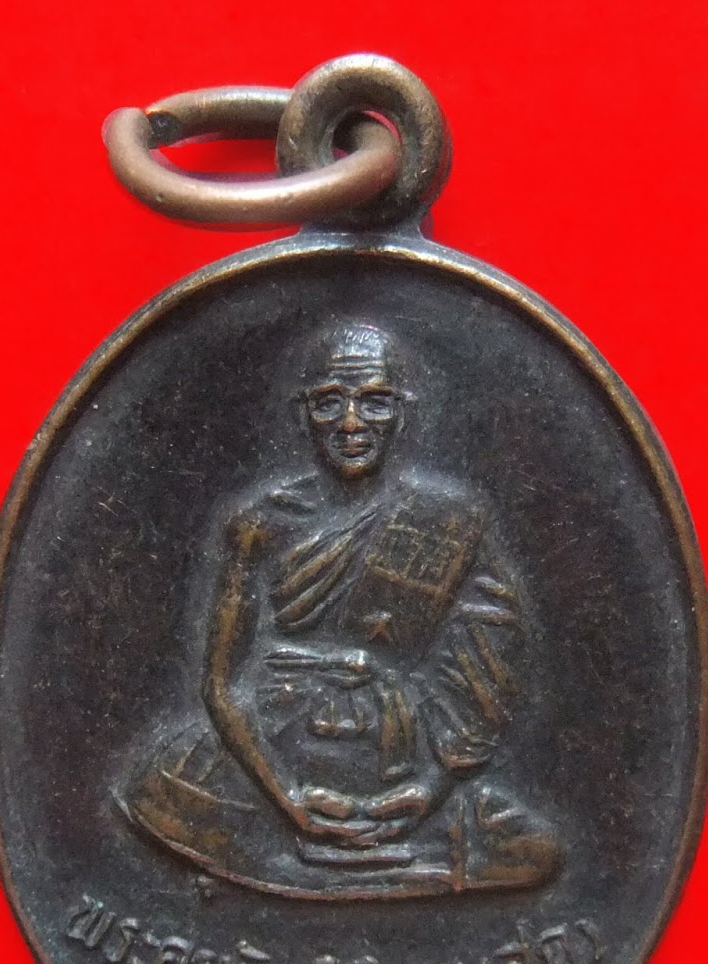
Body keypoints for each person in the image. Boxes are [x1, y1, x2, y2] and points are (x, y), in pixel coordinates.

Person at [120, 321, 560, 899]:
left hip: (402, 757)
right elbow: (222, 686)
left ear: (402, 414)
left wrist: (429, 790)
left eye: (374, 402)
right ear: (304, 415)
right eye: (330, 402)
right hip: (274, 749)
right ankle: (336, 863)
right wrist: (289, 802)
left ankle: (307, 869)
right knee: (157, 792)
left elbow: (487, 677)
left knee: (535, 851)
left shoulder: (449, 521)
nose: (351, 423)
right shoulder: (260, 524)